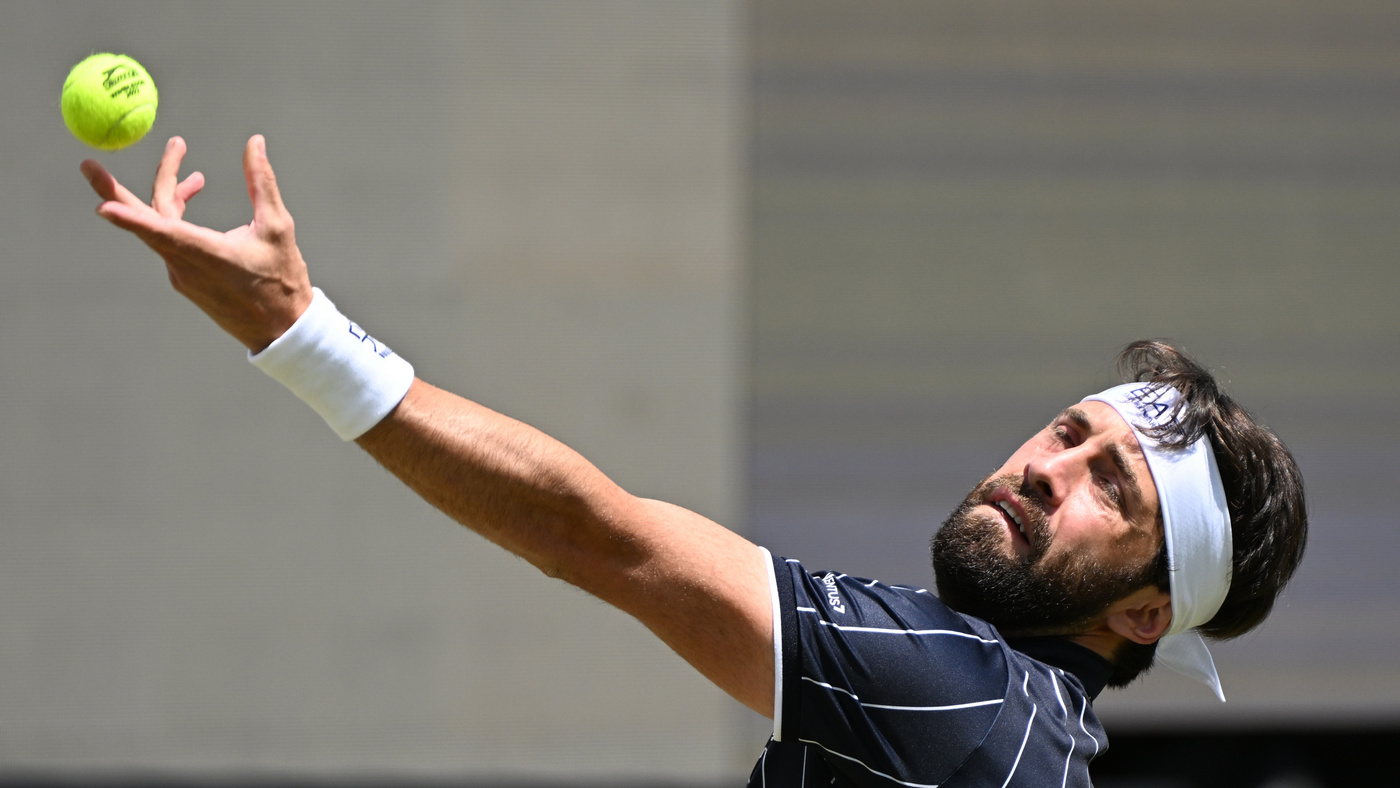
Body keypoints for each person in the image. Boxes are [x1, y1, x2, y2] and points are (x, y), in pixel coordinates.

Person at [81, 136, 1307, 787]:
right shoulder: (1028, 729)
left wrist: (300, 333)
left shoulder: (970, 699)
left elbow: (592, 534)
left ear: (1143, 611)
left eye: (1110, 485)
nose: (1048, 465)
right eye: (1068, 430)